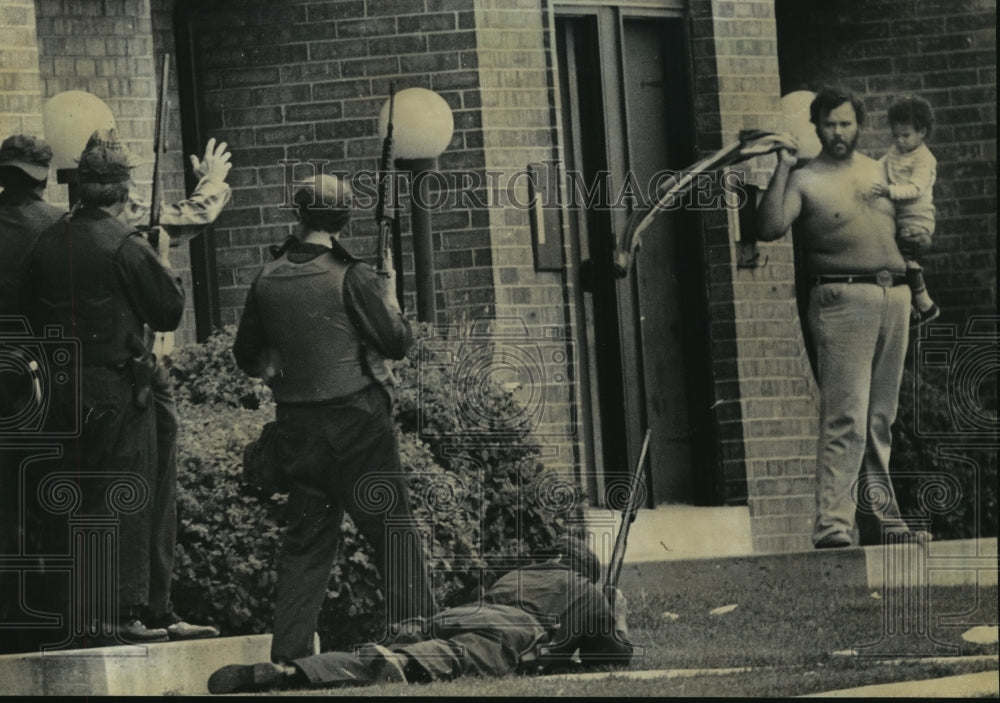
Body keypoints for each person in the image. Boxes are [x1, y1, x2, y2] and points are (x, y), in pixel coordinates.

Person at [232, 173, 436, 665]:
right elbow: (397, 343)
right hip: (359, 425)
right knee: (392, 530)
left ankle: (288, 658)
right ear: (344, 220)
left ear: (298, 215)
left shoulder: (267, 277)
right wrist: (389, 295)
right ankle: (420, 641)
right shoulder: (354, 275)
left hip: (298, 428)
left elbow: (246, 355)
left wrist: (279, 367)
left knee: (305, 545)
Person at [22, 141, 202, 644]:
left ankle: (82, 613)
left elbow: (30, 310)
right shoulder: (125, 244)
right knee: (123, 492)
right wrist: (162, 257)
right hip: (116, 385)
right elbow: (167, 312)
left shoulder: (49, 241)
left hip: (60, 386)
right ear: (123, 190)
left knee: (74, 498)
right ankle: (119, 614)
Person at [757, 87, 932, 549]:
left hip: (894, 296)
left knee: (880, 417)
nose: (838, 132)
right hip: (840, 300)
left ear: (860, 126)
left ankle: (883, 522)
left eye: (846, 123)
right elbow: (769, 227)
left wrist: (920, 238)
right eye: (830, 124)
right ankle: (833, 526)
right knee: (846, 416)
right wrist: (782, 166)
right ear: (816, 127)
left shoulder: (882, 171)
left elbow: (916, 219)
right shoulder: (805, 179)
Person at [84, 129, 233, 640]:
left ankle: (146, 607)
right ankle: (142, 608)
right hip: (135, 371)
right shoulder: (119, 226)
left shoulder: (73, 228)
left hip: (104, 377)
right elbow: (185, 220)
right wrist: (213, 183)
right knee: (144, 487)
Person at [206, 536, 633, 694]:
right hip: (503, 631)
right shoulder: (587, 591)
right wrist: (616, 612)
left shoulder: (519, 574)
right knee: (404, 665)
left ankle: (292, 671)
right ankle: (294, 676)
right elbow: (611, 658)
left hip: (460, 615)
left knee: (385, 653)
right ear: (586, 570)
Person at [871, 96, 940, 327]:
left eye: (906, 135)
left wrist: (888, 191)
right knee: (899, 260)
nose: (899, 141)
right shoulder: (896, 151)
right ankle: (914, 307)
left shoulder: (924, 159)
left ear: (922, 132)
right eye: (896, 135)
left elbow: (915, 189)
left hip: (918, 216)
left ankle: (924, 305)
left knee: (907, 259)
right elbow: (881, 165)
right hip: (901, 216)